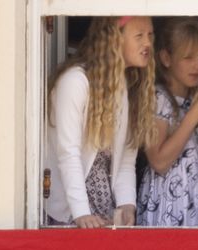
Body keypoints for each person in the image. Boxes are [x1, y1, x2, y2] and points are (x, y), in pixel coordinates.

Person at [45, 16, 157, 228]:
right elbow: (68, 153)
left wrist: (126, 205)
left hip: (103, 213)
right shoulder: (75, 82)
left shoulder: (126, 86)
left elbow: (125, 159)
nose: (148, 43)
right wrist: (81, 214)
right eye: (139, 35)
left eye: (150, 35)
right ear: (114, 39)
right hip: (69, 214)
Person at [136, 17, 198, 226]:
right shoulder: (157, 98)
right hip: (170, 211)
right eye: (188, 58)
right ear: (166, 58)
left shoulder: (197, 99)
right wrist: (194, 116)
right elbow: (158, 161)